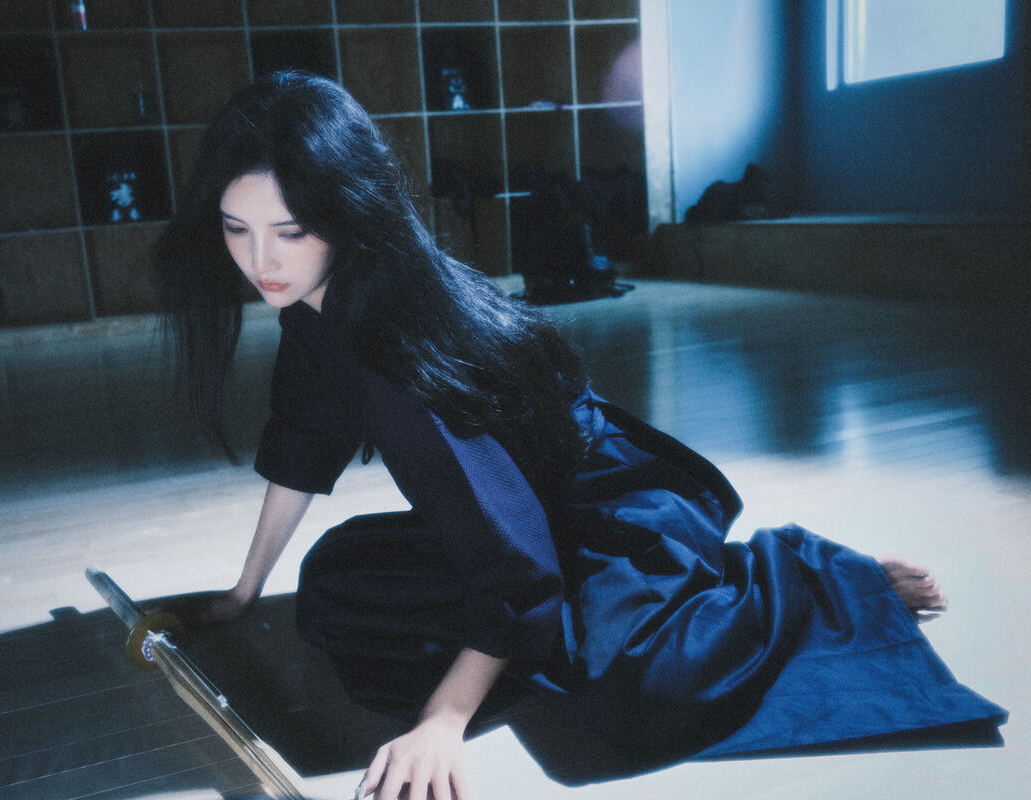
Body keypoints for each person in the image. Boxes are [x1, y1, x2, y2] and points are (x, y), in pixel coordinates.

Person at [154, 71, 1005, 800]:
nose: (261, 261)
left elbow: (514, 562)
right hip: (512, 510)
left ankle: (811, 579)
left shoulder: (401, 354)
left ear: (349, 211)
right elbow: (304, 440)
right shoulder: (322, 299)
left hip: (601, 507)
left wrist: (443, 721)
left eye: (290, 231)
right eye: (237, 228)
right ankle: (579, 625)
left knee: (631, 693)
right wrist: (241, 591)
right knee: (337, 584)